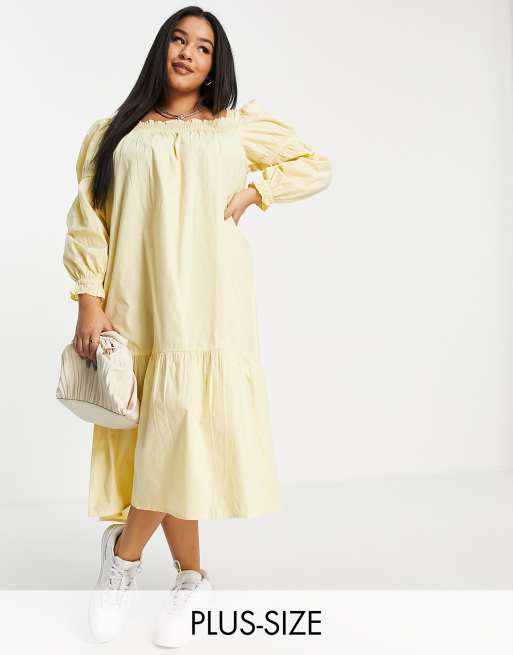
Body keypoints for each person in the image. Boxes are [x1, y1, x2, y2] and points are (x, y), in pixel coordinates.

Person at [63, 6, 332, 647]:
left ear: (215, 65)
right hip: (137, 302)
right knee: (165, 440)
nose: (187, 53)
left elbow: (314, 165)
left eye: (203, 47)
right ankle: (192, 577)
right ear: (162, 49)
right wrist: (88, 299)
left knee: (182, 432)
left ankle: (124, 557)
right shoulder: (115, 133)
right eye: (178, 40)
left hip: (211, 306)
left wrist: (257, 191)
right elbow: (88, 220)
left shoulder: (235, 129)